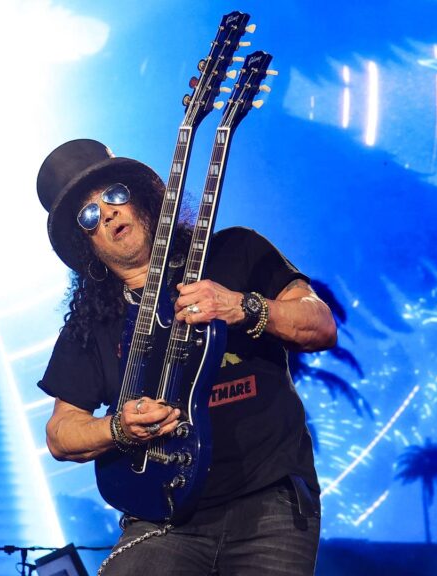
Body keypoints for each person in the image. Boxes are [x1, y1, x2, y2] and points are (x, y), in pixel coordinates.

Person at [36, 139, 337, 575]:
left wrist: (243, 306)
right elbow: (61, 433)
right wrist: (119, 428)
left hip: (269, 500)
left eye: (114, 195)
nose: (108, 213)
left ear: (141, 197)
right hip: (162, 516)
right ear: (86, 243)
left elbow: (320, 325)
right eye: (89, 215)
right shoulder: (92, 322)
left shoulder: (234, 251)